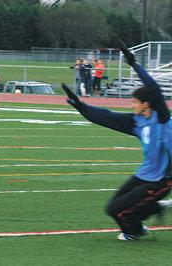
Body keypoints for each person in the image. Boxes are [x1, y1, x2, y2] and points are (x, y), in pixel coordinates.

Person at [61, 40, 172, 241]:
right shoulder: (136, 122)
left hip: (163, 180)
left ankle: (135, 231)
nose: (132, 105)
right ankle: (151, 211)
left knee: (118, 211)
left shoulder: (162, 118)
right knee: (113, 206)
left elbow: (154, 89)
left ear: (146, 104)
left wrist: (134, 64)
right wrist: (80, 106)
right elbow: (105, 117)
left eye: (135, 102)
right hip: (144, 176)